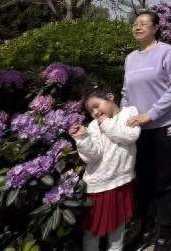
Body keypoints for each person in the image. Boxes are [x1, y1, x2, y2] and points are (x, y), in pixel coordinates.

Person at [123, 10, 171, 251]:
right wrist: (125, 116)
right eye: (135, 24)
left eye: (143, 23)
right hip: (139, 130)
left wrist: (152, 113)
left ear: (156, 27)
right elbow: (126, 93)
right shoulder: (130, 58)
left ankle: (164, 232)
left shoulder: (167, 52)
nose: (137, 27)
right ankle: (146, 228)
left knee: (166, 179)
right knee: (144, 180)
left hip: (164, 126)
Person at [70, 87, 141, 251]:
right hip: (98, 186)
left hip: (122, 181)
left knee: (118, 226)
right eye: (90, 111)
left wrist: (107, 124)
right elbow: (92, 157)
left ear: (110, 97)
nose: (95, 112)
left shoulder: (129, 113)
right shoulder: (93, 126)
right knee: (92, 230)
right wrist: (82, 138)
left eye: (96, 105)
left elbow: (130, 136)